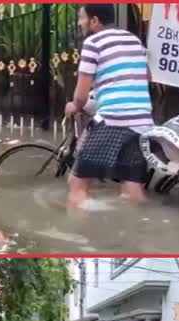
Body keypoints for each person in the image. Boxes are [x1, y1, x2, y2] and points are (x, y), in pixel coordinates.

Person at [65, 4, 154, 208]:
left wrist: (74, 106)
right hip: (143, 122)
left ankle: (86, 236)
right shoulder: (133, 40)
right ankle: (140, 228)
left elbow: (80, 94)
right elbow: (147, 76)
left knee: (77, 185)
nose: (80, 24)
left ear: (94, 21)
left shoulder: (93, 42)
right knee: (132, 189)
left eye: (82, 18)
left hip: (113, 120)